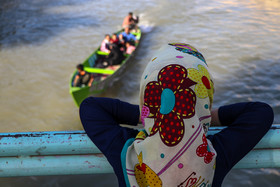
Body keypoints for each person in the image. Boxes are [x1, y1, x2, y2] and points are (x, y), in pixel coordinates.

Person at [79, 43, 274, 187]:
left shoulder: (128, 155)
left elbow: (90, 108)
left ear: (147, 94)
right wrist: (203, 117)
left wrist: (150, 114)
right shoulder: (212, 157)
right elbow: (260, 113)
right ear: (204, 97)